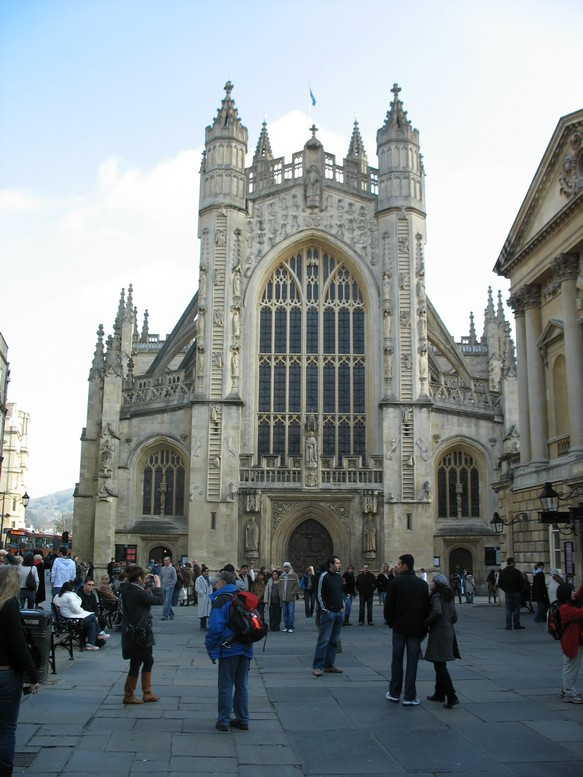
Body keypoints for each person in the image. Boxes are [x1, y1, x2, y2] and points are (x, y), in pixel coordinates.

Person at [0, 566, 41, 776]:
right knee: (7, 728)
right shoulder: (9, 606)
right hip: (5, 674)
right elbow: (19, 645)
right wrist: (33, 675)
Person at [205, 570, 253, 731]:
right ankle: (243, 719)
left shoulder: (222, 599)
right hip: (245, 646)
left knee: (225, 685)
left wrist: (210, 647)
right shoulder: (242, 595)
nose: (215, 585)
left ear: (223, 583)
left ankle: (224, 721)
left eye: (217, 582)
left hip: (229, 648)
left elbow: (215, 627)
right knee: (242, 685)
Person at [384, 553, 429, 705]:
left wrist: (392, 623)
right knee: (412, 662)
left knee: (396, 660)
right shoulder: (422, 585)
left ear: (405, 566)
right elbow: (426, 609)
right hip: (416, 630)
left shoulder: (395, 583)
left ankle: (395, 693)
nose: (397, 566)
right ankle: (409, 696)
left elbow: (388, 608)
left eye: (399, 564)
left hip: (399, 628)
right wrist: (423, 628)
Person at [120, 566, 164, 704]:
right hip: (139, 631)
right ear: (138, 578)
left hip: (133, 630)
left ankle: (146, 692)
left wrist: (143, 583)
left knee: (146, 660)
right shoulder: (137, 593)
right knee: (137, 662)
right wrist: (158, 585)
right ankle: (130, 694)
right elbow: (158, 600)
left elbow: (139, 592)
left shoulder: (127, 589)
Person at [424, 572, 460, 708]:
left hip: (439, 633)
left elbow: (437, 612)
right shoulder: (449, 596)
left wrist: (426, 622)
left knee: (439, 665)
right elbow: (454, 617)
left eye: (432, 582)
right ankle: (439, 693)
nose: (430, 584)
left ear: (437, 584)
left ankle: (451, 695)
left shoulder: (437, 597)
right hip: (449, 632)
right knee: (440, 663)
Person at [53, 581, 109, 650]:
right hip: (71, 619)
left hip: (66, 617)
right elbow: (76, 609)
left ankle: (91, 643)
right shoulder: (70, 596)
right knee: (92, 616)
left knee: (91, 624)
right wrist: (79, 601)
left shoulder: (57, 596)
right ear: (72, 588)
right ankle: (99, 633)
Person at [312, 556, 344, 677]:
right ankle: (317, 666)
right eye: (337, 563)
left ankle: (329, 665)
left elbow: (339, 593)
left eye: (339, 563)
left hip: (338, 612)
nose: (339, 565)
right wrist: (325, 609)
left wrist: (341, 607)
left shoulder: (338, 577)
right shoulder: (323, 576)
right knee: (324, 640)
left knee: (333, 641)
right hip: (328, 613)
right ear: (331, 564)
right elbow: (319, 594)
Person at [556, 582, 583, 704]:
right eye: (571, 591)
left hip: (573, 640)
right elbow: (580, 614)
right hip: (571, 642)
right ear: (565, 594)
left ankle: (565, 689)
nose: (574, 593)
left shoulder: (569, 603)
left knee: (571, 666)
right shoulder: (565, 608)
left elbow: (579, 594)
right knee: (571, 667)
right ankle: (569, 692)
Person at [498, 557, 525, 630]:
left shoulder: (503, 572)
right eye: (514, 562)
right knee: (517, 608)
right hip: (516, 592)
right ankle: (516, 624)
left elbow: (500, 584)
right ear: (512, 562)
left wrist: (505, 589)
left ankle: (508, 625)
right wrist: (519, 590)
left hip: (507, 592)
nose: (515, 563)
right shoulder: (517, 572)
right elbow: (522, 583)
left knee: (508, 609)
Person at [280, 562, 300, 633]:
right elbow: (280, 586)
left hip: (291, 597)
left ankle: (290, 626)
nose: (285, 568)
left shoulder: (294, 575)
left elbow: (297, 585)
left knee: (291, 613)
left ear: (289, 567)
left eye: (287, 567)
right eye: (284, 567)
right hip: (284, 597)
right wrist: (280, 594)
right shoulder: (281, 576)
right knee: (285, 613)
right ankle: (286, 626)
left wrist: (293, 592)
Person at [159, 556, 177, 621]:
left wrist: (171, 586)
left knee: (167, 601)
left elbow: (175, 579)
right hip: (163, 587)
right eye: (164, 560)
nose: (165, 562)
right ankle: (171, 614)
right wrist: (160, 585)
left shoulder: (172, 569)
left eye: (166, 560)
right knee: (166, 602)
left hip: (169, 587)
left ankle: (165, 616)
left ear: (169, 561)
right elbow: (160, 577)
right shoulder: (162, 568)